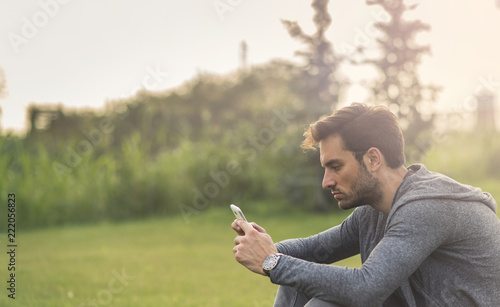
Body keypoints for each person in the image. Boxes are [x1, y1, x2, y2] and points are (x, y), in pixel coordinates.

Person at [231, 103, 500, 307]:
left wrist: (271, 261)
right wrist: (263, 246)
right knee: (298, 279)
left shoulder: (426, 206)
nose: (326, 182)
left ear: (373, 159)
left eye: (335, 166)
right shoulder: (373, 211)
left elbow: (366, 288)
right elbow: (313, 250)